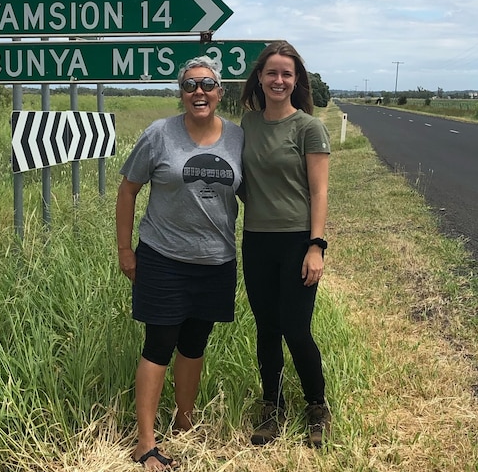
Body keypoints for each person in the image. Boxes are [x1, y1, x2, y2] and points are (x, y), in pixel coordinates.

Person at [116, 55, 243, 470]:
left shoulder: (239, 139)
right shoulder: (159, 135)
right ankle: (146, 443)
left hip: (216, 260)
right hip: (163, 258)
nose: (199, 93)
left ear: (220, 92)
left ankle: (185, 424)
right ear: (181, 93)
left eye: (207, 85)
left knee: (194, 345)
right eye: (190, 86)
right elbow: (127, 191)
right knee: (159, 345)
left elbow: (258, 193)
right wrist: (125, 249)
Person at [238, 40, 332, 448]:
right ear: (260, 77)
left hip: (297, 241)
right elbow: (244, 181)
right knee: (266, 328)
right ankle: (272, 407)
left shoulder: (309, 127)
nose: (279, 80)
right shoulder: (247, 126)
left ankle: (316, 406)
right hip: (256, 240)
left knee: (296, 328)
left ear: (297, 81)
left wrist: (316, 246)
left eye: (287, 74)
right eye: (272, 72)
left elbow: (320, 191)